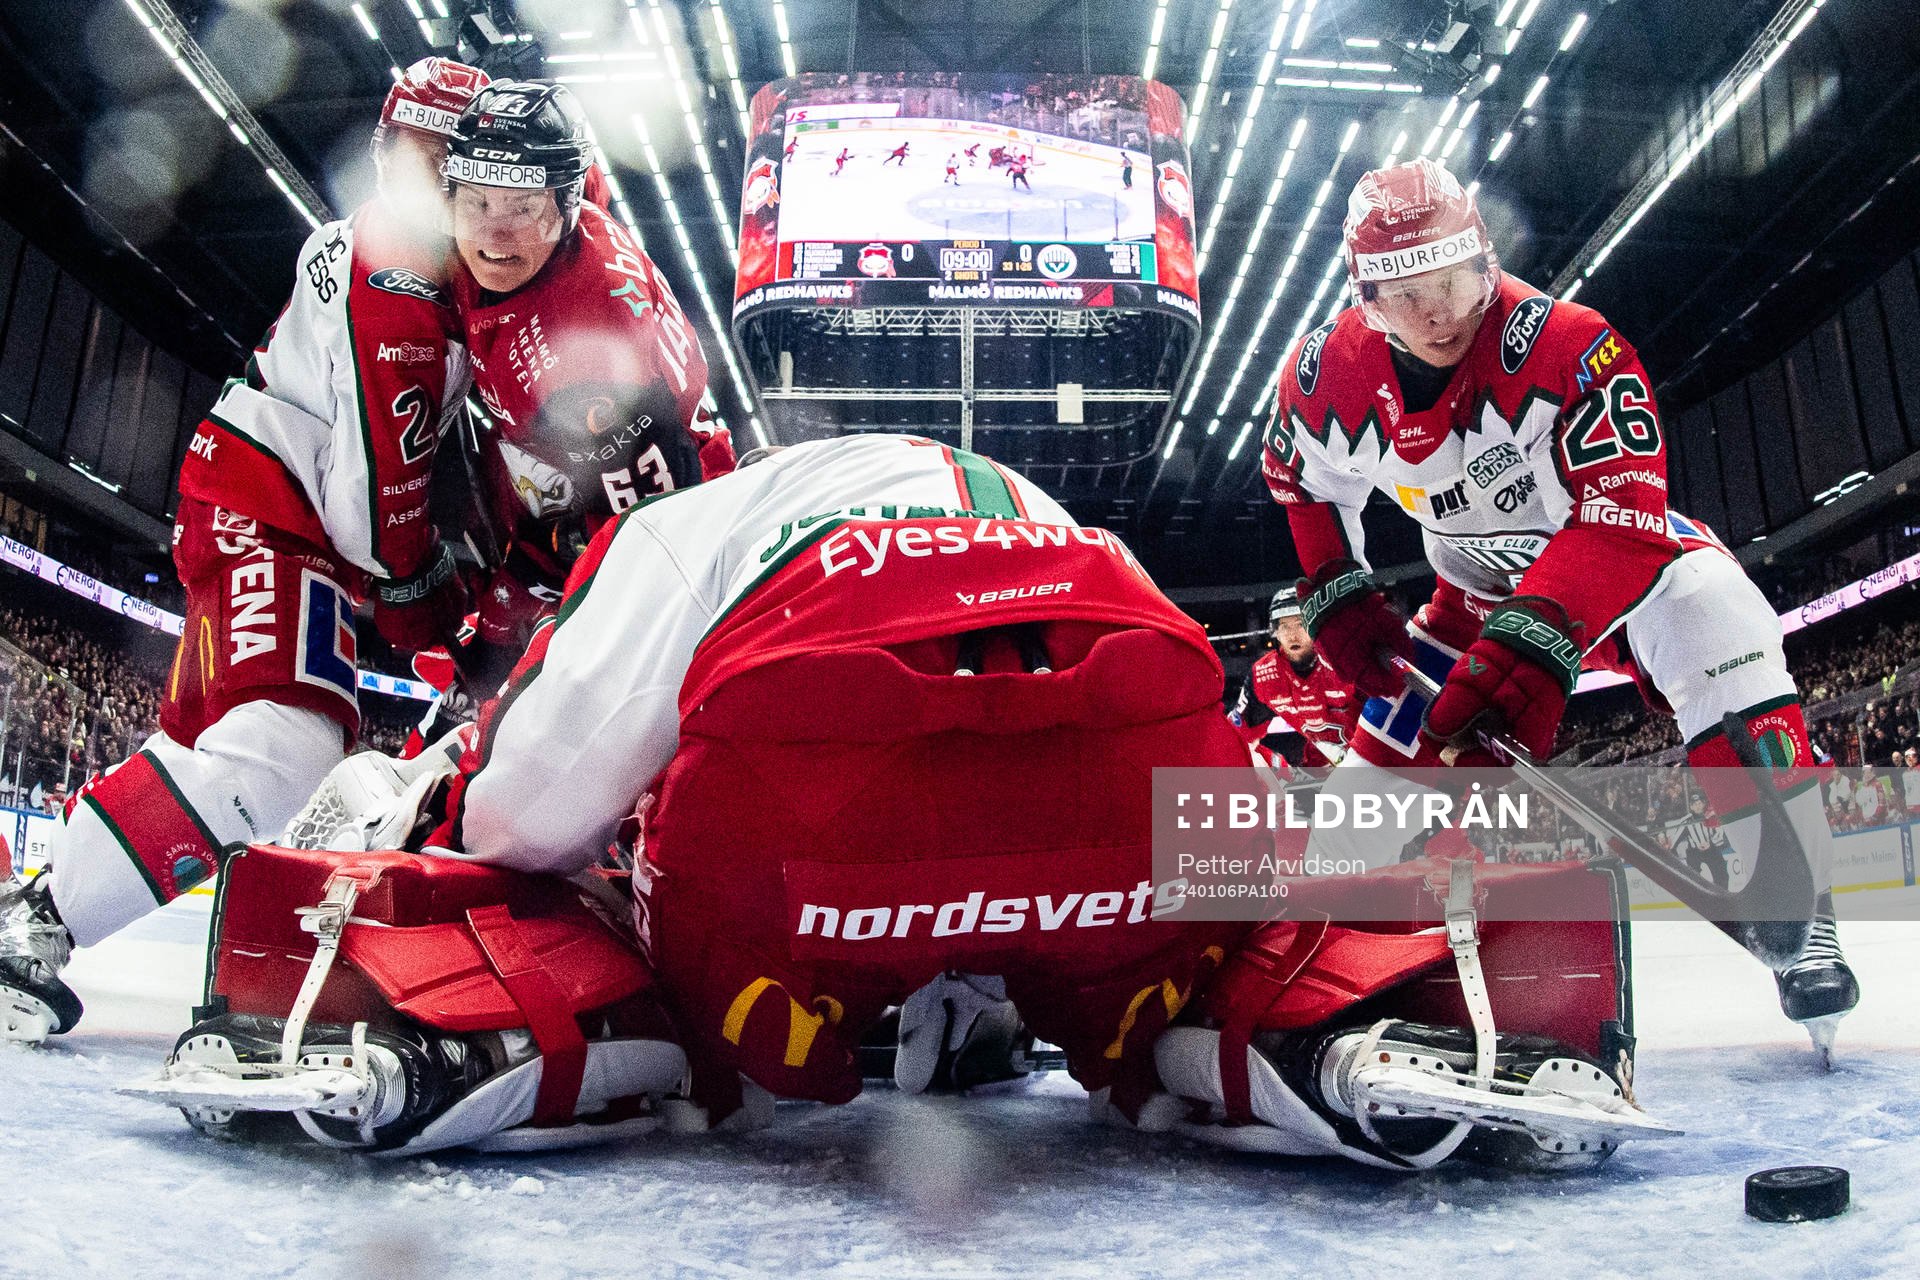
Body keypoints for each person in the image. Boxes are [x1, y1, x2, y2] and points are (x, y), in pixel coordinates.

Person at [143, 435, 1660, 1169]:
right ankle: (1344, 1041)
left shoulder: (675, 531)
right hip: (1124, 761)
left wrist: (541, 847)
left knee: (620, 928)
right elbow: (1180, 752)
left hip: (809, 844)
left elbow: (519, 817)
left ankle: (447, 1037)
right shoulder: (1032, 506)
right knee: (1188, 962)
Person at [1261, 158, 1857, 1048]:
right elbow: (1299, 481)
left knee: (1719, 612)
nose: (1437, 312)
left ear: (1487, 262)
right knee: (1360, 815)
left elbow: (1625, 514)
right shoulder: (1320, 374)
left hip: (1621, 575)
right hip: (1469, 599)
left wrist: (1542, 636)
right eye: (1407, 291)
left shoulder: (1575, 344)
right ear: (1364, 298)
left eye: (1455, 280)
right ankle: (1309, 951)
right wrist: (1339, 588)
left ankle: (1798, 904)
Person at [0, 57, 492, 1045]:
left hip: (265, 508)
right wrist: (444, 628)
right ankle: (32, 923)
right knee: (286, 747)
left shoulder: (415, 269)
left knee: (252, 753)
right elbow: (373, 510)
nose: (430, 180)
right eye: (418, 154)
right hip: (265, 512)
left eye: (451, 161)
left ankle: (41, 913)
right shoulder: (395, 273)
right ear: (390, 152)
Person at [1228, 585, 1358, 769]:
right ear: (1275, 631)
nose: (1292, 634)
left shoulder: (1342, 658)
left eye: (1300, 623)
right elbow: (1237, 737)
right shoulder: (1264, 675)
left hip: (1379, 754)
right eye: (1284, 626)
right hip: (1328, 759)